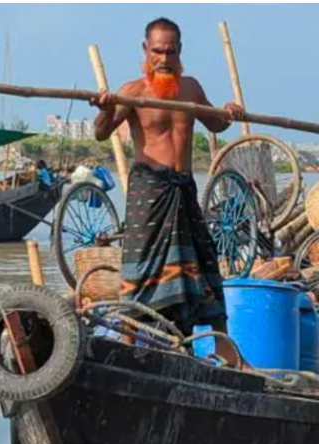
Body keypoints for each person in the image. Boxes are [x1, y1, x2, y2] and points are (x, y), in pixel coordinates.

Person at [90, 17, 245, 343]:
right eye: (157, 51)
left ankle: (223, 350)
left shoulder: (191, 88)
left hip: (184, 188)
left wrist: (229, 112)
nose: (164, 59)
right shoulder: (132, 92)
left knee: (202, 265)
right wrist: (105, 108)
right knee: (143, 271)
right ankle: (128, 343)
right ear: (146, 50)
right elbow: (101, 133)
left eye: (170, 52)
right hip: (150, 192)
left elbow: (215, 124)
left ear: (179, 51)